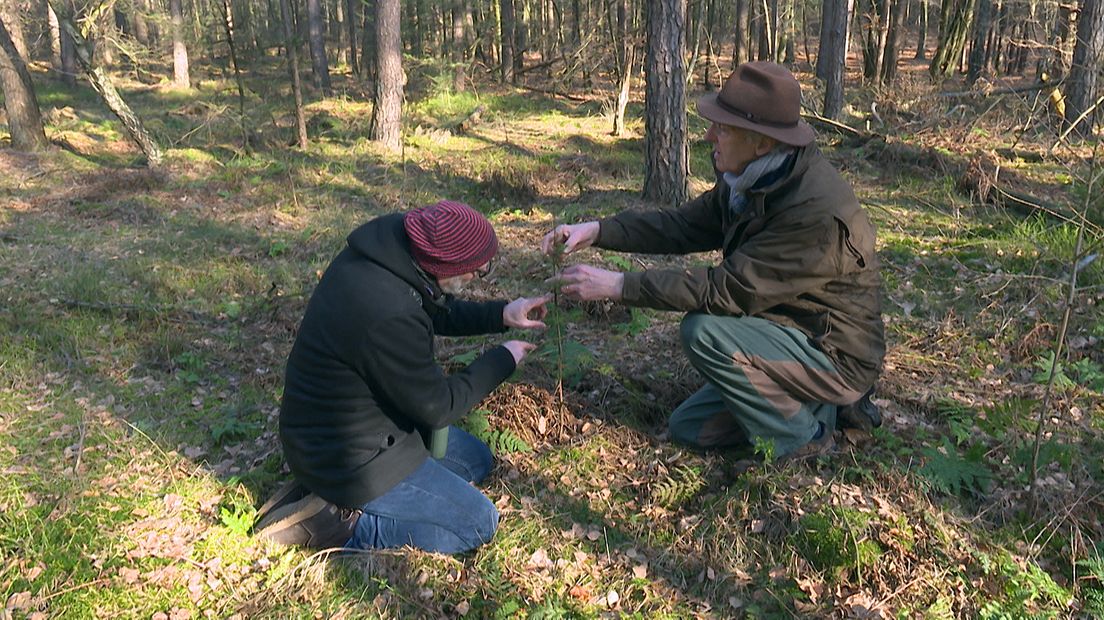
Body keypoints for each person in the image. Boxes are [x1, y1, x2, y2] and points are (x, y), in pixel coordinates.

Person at [542, 61, 884, 461]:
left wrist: (618, 286)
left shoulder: (813, 214)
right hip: (786, 329)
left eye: (723, 128)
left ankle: (808, 438)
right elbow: (684, 226)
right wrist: (600, 230)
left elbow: (727, 290)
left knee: (703, 331)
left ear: (762, 142)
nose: (709, 136)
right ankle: (820, 407)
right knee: (690, 428)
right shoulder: (756, 178)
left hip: (834, 355)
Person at [255, 200, 551, 553]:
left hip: (367, 430)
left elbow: (435, 309)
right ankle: (337, 523)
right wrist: (504, 358)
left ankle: (331, 494)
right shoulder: (387, 310)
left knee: (475, 460)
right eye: (477, 270)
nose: (479, 275)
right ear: (444, 264)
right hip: (349, 457)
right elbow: (438, 407)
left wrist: (502, 313)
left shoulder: (394, 255)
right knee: (477, 523)